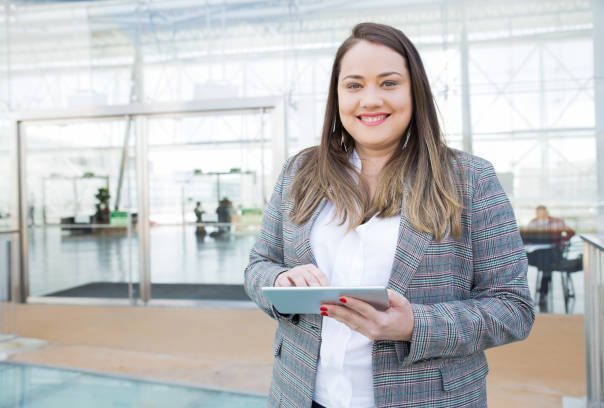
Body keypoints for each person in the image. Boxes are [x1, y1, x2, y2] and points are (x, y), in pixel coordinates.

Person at [244, 22, 534, 408]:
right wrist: (281, 280)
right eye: (353, 85)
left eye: (388, 82)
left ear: (415, 91)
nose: (369, 99)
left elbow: (512, 307)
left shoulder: (468, 179)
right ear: (337, 96)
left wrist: (414, 324)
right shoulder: (300, 172)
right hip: (301, 395)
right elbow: (258, 266)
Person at [526, 205, 575, 308]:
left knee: (546, 261)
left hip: (553, 253)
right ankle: (543, 292)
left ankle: (543, 292)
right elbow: (526, 238)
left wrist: (561, 241)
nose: (541, 215)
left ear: (547, 212)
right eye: (539, 213)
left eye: (543, 213)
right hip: (537, 255)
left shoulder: (557, 221)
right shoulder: (532, 223)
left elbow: (571, 232)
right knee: (545, 261)